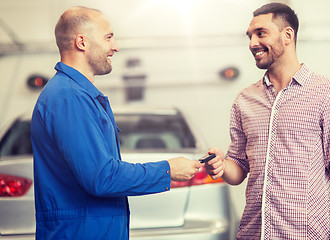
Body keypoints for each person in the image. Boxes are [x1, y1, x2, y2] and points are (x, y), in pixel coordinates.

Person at [30, 6, 202, 240]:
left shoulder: (79, 95)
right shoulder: (69, 98)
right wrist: (168, 169)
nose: (115, 46)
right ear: (82, 42)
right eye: (108, 37)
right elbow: (102, 178)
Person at [204, 3, 330, 240]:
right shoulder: (244, 100)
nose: (252, 43)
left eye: (261, 33)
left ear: (287, 35)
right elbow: (239, 167)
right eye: (250, 36)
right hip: (253, 234)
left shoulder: (329, 94)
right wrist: (222, 166)